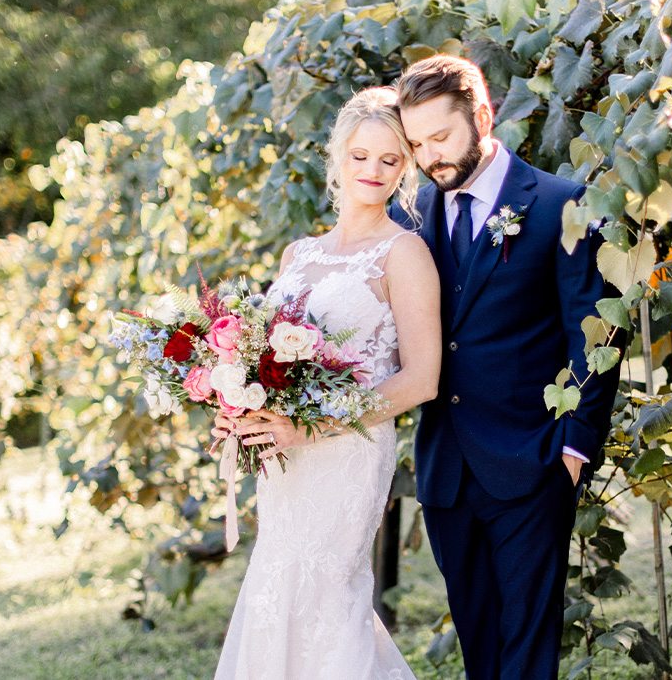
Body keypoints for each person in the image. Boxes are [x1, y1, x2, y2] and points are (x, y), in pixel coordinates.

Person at [391, 55, 624, 679]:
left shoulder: (559, 205)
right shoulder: (408, 218)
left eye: (441, 137)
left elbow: (595, 332)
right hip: (445, 468)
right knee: (479, 641)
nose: (430, 157)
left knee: (527, 643)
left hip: (534, 458)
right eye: (417, 144)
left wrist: (574, 447)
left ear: (483, 117)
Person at [210, 86, 440, 679]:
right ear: (337, 158)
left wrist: (306, 427)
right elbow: (266, 356)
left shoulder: (404, 252)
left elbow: (421, 379)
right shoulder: (298, 255)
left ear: (404, 169)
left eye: (390, 160)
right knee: (278, 586)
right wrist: (237, 407)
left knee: (328, 595)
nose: (373, 170)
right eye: (360, 156)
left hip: (348, 452)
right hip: (282, 459)